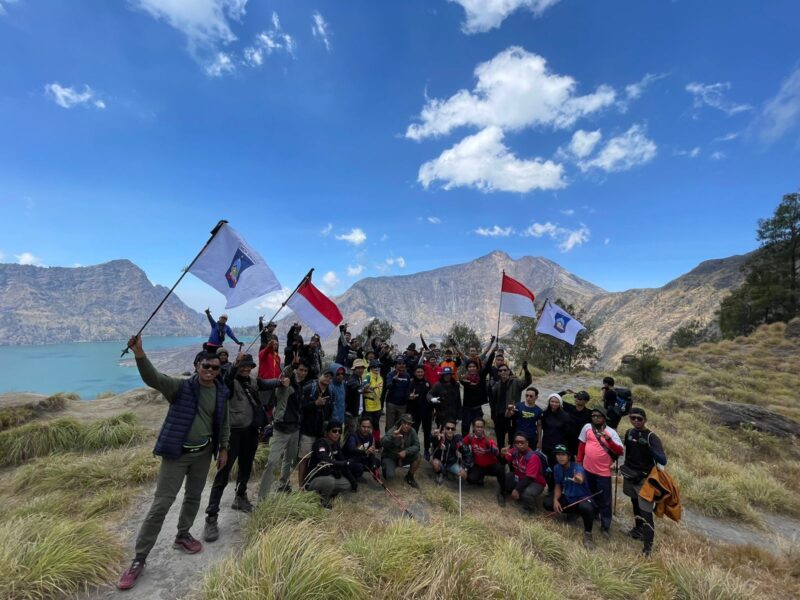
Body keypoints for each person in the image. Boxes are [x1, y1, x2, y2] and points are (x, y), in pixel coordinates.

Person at [117, 336, 230, 591]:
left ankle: (182, 534)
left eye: (215, 368)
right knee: (161, 504)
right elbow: (153, 378)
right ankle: (139, 558)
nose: (210, 371)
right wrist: (140, 354)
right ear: (197, 366)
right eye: (206, 367)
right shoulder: (180, 388)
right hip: (177, 454)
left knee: (193, 497)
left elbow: (224, 422)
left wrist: (224, 447)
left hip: (203, 454)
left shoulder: (221, 391)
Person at [203, 353, 279, 543]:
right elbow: (226, 378)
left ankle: (240, 496)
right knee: (223, 473)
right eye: (243, 366)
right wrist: (234, 367)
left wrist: (281, 380)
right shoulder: (229, 381)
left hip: (251, 432)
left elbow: (265, 384)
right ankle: (211, 516)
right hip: (233, 434)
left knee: (245, 466)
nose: (247, 368)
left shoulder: (251, 380)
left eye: (249, 366)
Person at [258, 360, 308, 498]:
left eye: (305, 371)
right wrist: (292, 366)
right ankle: (262, 498)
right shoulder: (283, 385)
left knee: (289, 459)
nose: (302, 373)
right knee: (272, 462)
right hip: (281, 430)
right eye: (300, 370)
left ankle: (283, 484)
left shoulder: (300, 386)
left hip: (294, 429)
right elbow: (284, 373)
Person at [621, 407, 667, 556]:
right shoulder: (629, 433)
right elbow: (628, 452)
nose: (635, 421)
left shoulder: (651, 437)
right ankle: (638, 530)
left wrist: (649, 447)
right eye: (633, 418)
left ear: (645, 420)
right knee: (635, 504)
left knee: (646, 512)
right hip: (630, 476)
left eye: (639, 419)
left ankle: (647, 547)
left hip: (644, 480)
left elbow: (662, 460)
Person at [577, 406, 623, 536]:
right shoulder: (587, 427)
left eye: (598, 416)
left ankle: (605, 525)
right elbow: (581, 446)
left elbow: (620, 451)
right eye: (593, 416)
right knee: (589, 494)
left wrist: (609, 440)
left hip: (603, 472)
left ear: (604, 418)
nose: (595, 418)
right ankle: (592, 515)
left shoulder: (611, 432)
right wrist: (579, 464)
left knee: (605, 499)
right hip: (587, 469)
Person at [543, 444, 596, 549]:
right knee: (547, 503)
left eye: (563, 454)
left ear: (569, 456)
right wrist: (555, 500)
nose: (560, 457)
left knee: (586, 507)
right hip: (568, 498)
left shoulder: (577, 467)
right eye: (558, 455)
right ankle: (573, 514)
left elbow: (580, 476)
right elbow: (558, 485)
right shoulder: (556, 468)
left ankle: (588, 534)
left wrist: (578, 479)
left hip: (582, 499)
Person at [305, 421, 357, 507]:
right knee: (330, 481)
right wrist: (345, 463)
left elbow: (342, 461)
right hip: (314, 480)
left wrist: (353, 482)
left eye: (339, 431)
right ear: (327, 432)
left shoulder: (335, 444)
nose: (337, 434)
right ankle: (323, 503)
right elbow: (325, 460)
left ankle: (324, 493)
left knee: (347, 485)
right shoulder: (321, 444)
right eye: (334, 431)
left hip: (327, 475)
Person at [297, 368, 334, 486]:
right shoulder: (309, 388)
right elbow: (300, 407)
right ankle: (301, 486)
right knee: (304, 458)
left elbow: (329, 410)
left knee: (316, 458)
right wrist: (315, 404)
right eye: (326, 375)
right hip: (307, 430)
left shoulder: (329, 391)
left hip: (320, 432)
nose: (328, 379)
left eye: (330, 377)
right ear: (319, 375)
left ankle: (311, 484)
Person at [462, 418, 506, 505]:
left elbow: (495, 450)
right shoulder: (470, 437)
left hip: (491, 466)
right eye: (477, 427)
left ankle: (502, 492)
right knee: (470, 479)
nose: (479, 429)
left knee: (501, 469)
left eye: (481, 427)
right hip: (479, 465)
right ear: (473, 427)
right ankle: (480, 478)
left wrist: (492, 450)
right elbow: (462, 444)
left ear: (484, 428)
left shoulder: (488, 440)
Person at [490, 362, 532, 449]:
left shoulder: (516, 382)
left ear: (509, 372)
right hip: (499, 416)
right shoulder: (496, 385)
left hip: (512, 415)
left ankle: (511, 460)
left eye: (505, 370)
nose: (503, 372)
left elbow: (528, 381)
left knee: (512, 440)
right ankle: (501, 459)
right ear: (498, 373)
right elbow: (492, 400)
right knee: (500, 439)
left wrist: (526, 370)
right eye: (500, 371)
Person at [500, 433, 546, 512]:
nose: (519, 444)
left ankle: (530, 509)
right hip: (520, 477)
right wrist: (502, 454)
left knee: (527, 493)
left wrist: (517, 489)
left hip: (535, 481)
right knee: (503, 478)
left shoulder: (532, 457)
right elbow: (503, 462)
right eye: (517, 442)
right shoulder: (514, 451)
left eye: (522, 442)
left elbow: (529, 478)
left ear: (527, 443)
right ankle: (504, 495)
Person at [460, 349, 495, 436]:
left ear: (476, 368)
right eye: (470, 367)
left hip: (477, 408)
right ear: (467, 368)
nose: (472, 368)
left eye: (474, 366)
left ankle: (476, 447)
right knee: (465, 428)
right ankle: (464, 446)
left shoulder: (481, 375)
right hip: (467, 408)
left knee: (478, 429)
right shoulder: (464, 379)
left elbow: (488, 366)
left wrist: (493, 352)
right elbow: (461, 380)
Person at [380, 413, 421, 488]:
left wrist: (406, 451)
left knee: (418, 456)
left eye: (409, 424)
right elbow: (382, 442)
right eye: (404, 423)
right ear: (401, 422)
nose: (407, 426)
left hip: (403, 457)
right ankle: (385, 469)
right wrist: (392, 436)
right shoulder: (394, 429)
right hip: (391, 457)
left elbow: (417, 446)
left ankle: (410, 477)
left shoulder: (412, 431)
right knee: (389, 476)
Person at [538, 393, 573, 479]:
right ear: (549, 402)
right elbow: (541, 427)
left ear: (560, 403)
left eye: (556, 402)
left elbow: (568, 433)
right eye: (552, 401)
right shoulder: (544, 413)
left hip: (559, 446)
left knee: (558, 466)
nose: (554, 404)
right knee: (547, 466)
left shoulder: (565, 416)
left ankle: (559, 485)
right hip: (546, 444)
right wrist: (539, 442)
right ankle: (550, 487)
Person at [342, 415, 381, 480]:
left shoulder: (370, 436)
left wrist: (374, 468)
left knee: (376, 462)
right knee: (360, 467)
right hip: (349, 460)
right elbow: (351, 449)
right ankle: (352, 475)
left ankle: (369, 470)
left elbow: (371, 453)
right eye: (363, 427)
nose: (366, 429)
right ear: (359, 426)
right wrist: (365, 451)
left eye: (368, 427)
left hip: (360, 458)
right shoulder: (353, 436)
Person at [408, 364, 433, 460]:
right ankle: (412, 451)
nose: (420, 373)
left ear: (424, 373)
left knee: (427, 432)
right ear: (415, 373)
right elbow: (407, 395)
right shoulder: (411, 383)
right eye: (418, 372)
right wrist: (410, 397)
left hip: (427, 412)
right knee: (414, 432)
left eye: (421, 372)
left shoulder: (428, 383)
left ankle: (427, 450)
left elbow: (431, 396)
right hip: (415, 412)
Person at [430, 419, 465, 484]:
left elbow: (463, 449)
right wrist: (433, 435)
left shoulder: (457, 438)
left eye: (452, 429)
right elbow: (432, 440)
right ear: (444, 429)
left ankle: (448, 472)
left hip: (451, 464)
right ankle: (439, 473)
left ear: (455, 430)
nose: (450, 430)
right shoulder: (440, 437)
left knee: (463, 475)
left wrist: (464, 467)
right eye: (448, 428)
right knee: (435, 463)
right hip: (440, 462)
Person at [384, 357, 412, 432]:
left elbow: (408, 389)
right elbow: (388, 386)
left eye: (403, 363)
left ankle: (398, 442)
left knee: (401, 425)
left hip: (402, 405)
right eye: (399, 363)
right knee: (390, 425)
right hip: (391, 404)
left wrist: (409, 396)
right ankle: (388, 441)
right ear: (395, 365)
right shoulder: (390, 374)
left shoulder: (407, 375)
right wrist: (394, 380)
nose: (401, 365)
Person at [562, 390, 592, 456]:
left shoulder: (590, 413)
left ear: (586, 401)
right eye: (576, 397)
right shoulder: (569, 408)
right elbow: (554, 398)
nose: (577, 399)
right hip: (567, 441)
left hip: (580, 442)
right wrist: (564, 392)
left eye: (580, 398)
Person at [344, 359, 368, 436]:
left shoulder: (359, 378)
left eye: (362, 368)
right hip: (351, 413)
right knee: (350, 434)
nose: (360, 370)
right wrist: (364, 388)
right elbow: (356, 387)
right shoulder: (352, 379)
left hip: (358, 411)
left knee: (355, 433)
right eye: (358, 368)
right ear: (354, 369)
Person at [362, 360, 384, 441]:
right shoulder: (368, 376)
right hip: (368, 405)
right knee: (366, 426)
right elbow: (364, 386)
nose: (377, 368)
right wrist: (370, 387)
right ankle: (366, 441)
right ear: (370, 368)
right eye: (375, 366)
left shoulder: (380, 377)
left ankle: (377, 442)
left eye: (378, 366)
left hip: (377, 405)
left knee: (376, 425)